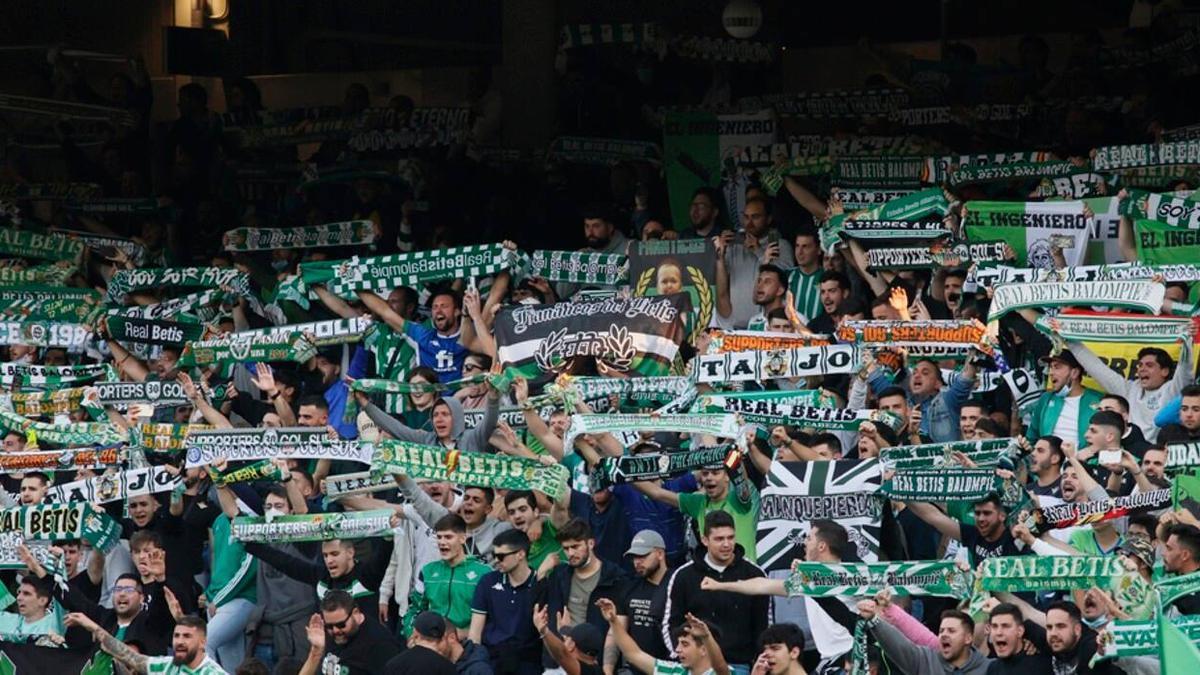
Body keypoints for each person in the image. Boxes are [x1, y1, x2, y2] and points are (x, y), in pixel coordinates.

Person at [661, 511, 769, 672]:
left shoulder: (754, 574)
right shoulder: (683, 576)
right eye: (719, 539)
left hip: (739, 666)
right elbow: (670, 623)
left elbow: (764, 626)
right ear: (705, 540)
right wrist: (680, 655)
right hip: (697, 665)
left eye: (730, 537)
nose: (726, 544)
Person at [532, 518, 626, 664]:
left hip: (594, 659)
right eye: (566, 548)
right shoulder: (559, 574)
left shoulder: (615, 577)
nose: (570, 553)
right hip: (559, 657)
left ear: (591, 543)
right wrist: (542, 573)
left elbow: (620, 623)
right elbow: (536, 606)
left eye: (575, 546)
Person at [1067, 338, 1193, 442]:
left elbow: (1185, 368)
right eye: (1140, 365)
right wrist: (1067, 339)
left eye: (1149, 365)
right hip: (1127, 452)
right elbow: (1095, 367)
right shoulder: (1130, 389)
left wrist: (1188, 339)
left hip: (1155, 456)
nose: (1142, 369)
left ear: (1165, 371)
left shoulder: (1173, 389)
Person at [404, 513, 491, 636]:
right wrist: (411, 635)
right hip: (433, 642)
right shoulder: (427, 571)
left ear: (462, 538)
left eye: (448, 537)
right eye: (439, 537)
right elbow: (415, 609)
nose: (442, 542)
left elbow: (495, 616)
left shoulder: (484, 572)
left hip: (468, 643)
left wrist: (465, 634)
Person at [469, 529, 541, 675]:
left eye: (501, 556)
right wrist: (475, 663)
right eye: (494, 555)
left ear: (521, 554)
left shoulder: (540, 584)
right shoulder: (488, 582)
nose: (496, 560)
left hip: (529, 662)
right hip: (492, 660)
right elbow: (475, 632)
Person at [599, 597, 730, 675]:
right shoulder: (675, 671)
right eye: (678, 643)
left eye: (685, 644)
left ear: (704, 649)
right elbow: (634, 654)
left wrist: (707, 637)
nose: (677, 649)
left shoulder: (723, 672)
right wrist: (614, 621)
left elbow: (721, 670)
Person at [65, 613, 225, 674]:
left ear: (203, 642)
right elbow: (130, 657)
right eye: (177, 636)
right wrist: (93, 627)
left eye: (187, 636)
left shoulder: (213, 673)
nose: (180, 642)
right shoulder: (167, 666)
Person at [857, 603, 989, 675]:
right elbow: (900, 646)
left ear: (968, 638)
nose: (944, 634)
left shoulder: (990, 668)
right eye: (941, 631)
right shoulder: (924, 660)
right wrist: (874, 620)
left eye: (952, 631)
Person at [612, 530, 673, 674]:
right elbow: (615, 633)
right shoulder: (629, 587)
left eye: (643, 556)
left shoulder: (678, 582)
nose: (637, 562)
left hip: (670, 668)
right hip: (635, 669)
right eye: (634, 557)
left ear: (660, 554)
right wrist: (608, 669)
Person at [301, 589, 401, 675]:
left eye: (341, 625)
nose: (336, 630)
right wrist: (316, 652)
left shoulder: (380, 645)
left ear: (355, 614)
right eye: (329, 626)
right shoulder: (328, 633)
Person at [1025, 351, 1103, 448]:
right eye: (1050, 367)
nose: (1051, 373)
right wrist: (1026, 445)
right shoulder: (1046, 399)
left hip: (1083, 462)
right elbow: (1031, 438)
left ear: (1074, 373)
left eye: (1057, 367)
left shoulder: (1099, 400)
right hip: (1049, 461)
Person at [533, 603, 606, 675]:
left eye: (568, 639)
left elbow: (561, 654)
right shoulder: (597, 670)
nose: (564, 640)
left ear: (571, 646)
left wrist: (544, 631)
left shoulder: (582, 670)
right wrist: (563, 629)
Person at [985, 602, 1049, 674]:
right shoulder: (992, 668)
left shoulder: (1041, 665)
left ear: (1020, 631)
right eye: (994, 626)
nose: (999, 632)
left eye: (1005, 626)